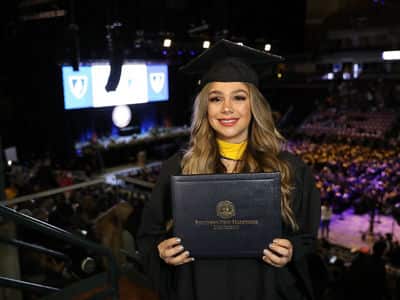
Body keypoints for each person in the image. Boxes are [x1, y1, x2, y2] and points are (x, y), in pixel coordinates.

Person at [137, 39, 321, 300]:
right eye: (215, 98)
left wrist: (292, 251)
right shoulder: (178, 167)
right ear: (205, 108)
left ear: (253, 105)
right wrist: (161, 251)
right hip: (199, 290)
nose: (226, 108)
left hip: (265, 290)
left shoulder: (291, 169)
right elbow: (148, 236)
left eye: (238, 97)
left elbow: (307, 239)